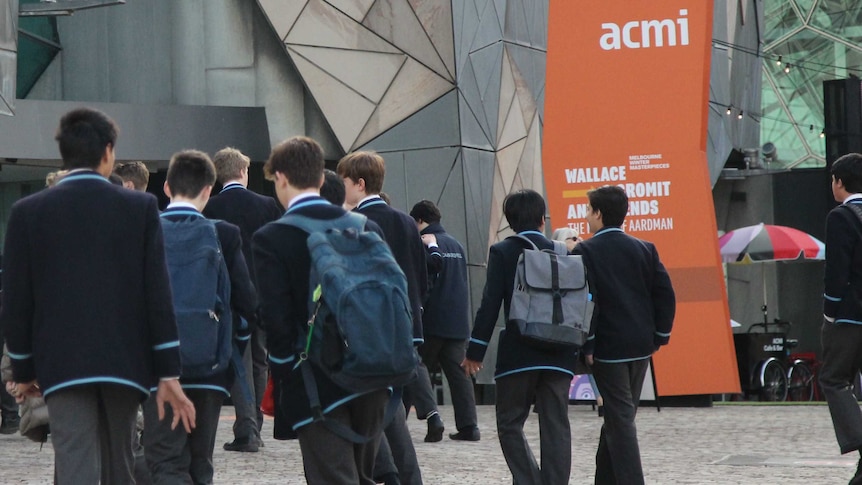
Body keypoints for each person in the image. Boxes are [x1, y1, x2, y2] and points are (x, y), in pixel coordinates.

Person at [0, 107, 195, 484]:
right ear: (108, 152)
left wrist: (23, 370)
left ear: (64, 153)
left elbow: (17, 301)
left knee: (75, 457)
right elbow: (157, 293)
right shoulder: (140, 208)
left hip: (62, 362)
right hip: (125, 361)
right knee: (120, 458)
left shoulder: (28, 212)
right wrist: (168, 371)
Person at [252, 136, 390, 484]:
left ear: (281, 177)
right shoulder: (364, 226)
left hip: (314, 378)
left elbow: (277, 320)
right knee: (361, 476)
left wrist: (284, 377)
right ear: (319, 177)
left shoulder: (272, 236)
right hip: (372, 371)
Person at [143, 149, 259, 483]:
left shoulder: (146, 230)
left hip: (158, 369)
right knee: (201, 461)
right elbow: (246, 302)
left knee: (165, 460)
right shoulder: (224, 233)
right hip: (208, 366)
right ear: (209, 189)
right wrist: (227, 345)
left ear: (166, 188)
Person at [463, 189, 577, 485]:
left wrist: (476, 350)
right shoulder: (563, 251)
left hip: (519, 353)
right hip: (560, 352)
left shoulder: (503, 251)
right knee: (556, 426)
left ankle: (528, 480)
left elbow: (490, 304)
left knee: (510, 423)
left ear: (510, 221)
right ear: (542, 219)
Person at [571, 185, 675, 485]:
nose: (587, 216)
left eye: (589, 210)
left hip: (607, 347)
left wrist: (587, 342)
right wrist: (659, 335)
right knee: (621, 415)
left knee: (620, 417)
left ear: (599, 213)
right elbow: (665, 295)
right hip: (641, 344)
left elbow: (586, 301)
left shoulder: (585, 251)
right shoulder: (645, 248)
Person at [204, 146, 282, 452]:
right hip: (262, 294)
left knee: (238, 360)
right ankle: (255, 424)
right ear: (244, 171)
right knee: (260, 360)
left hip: (225, 297)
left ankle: (247, 427)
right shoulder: (267, 205)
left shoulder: (209, 208)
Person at [410, 200, 480, 441]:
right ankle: (469, 426)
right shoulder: (457, 245)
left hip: (431, 322)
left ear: (419, 221)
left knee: (415, 370)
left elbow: (424, 284)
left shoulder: (424, 243)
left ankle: (428, 420)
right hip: (457, 323)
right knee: (460, 376)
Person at [821, 152, 862, 485]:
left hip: (851, 317)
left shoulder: (840, 217)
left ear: (839, 182)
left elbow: (836, 273)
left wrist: (829, 312)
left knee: (834, 379)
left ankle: (858, 440)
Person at [551, 227, 603, 417]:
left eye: (579, 237)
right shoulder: (554, 264)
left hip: (584, 320)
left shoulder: (586, 261)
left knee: (590, 357)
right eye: (572, 238)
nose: (578, 240)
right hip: (562, 323)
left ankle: (600, 399)